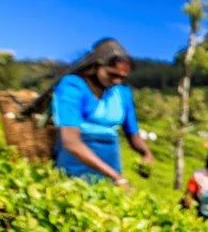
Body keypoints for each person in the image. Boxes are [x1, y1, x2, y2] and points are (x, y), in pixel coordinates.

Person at [27, 38, 152, 186]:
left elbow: (133, 134)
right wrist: (115, 177)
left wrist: (146, 153)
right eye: (112, 74)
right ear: (96, 66)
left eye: (122, 78)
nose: (117, 81)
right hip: (75, 162)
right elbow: (71, 142)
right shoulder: (72, 86)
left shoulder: (122, 93)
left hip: (110, 161)